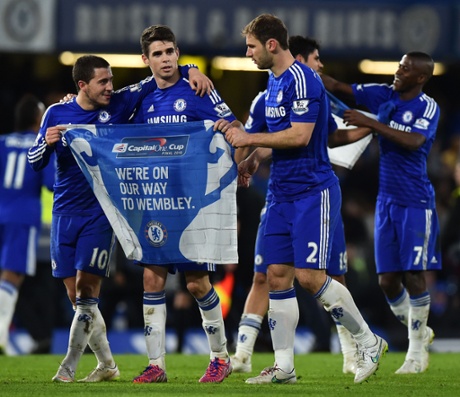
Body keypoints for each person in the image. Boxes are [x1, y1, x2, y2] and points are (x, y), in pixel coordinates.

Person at [224, 14, 387, 385]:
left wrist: (249, 140)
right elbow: (282, 139)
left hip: (312, 191)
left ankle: (368, 341)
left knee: (312, 277)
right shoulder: (272, 84)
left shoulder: (304, 79)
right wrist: (252, 159)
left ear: (270, 45)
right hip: (280, 193)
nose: (247, 53)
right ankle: (284, 366)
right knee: (277, 276)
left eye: (250, 46)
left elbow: (299, 137)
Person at [27, 55, 212, 382]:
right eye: (103, 82)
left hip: (100, 213)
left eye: (112, 80)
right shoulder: (57, 112)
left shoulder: (117, 105)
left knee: (86, 293)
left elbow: (152, 78)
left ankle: (67, 367)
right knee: (76, 298)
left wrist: (190, 69)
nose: (111, 87)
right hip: (63, 213)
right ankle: (108, 365)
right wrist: (45, 142)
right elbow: (35, 161)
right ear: (82, 85)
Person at [129, 24, 241, 384]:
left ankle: (220, 357)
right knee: (151, 279)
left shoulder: (197, 89)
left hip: (193, 204)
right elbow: (105, 115)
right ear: (145, 59)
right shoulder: (141, 98)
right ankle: (156, 365)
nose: (165, 59)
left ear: (178, 52)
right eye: (157, 54)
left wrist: (238, 164)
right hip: (156, 201)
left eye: (170, 52)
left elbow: (233, 126)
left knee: (197, 283)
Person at [321, 51, 441, 374]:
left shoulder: (426, 107)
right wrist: (300, 70)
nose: (398, 72)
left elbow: (415, 141)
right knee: (387, 281)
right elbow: (337, 86)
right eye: (399, 66)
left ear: (421, 78)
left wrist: (373, 123)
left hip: (415, 202)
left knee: (414, 274)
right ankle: (420, 330)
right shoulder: (383, 95)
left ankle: (416, 354)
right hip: (385, 201)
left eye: (405, 69)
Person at [0, 94, 55, 354]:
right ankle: (0, 335)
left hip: (1, 211)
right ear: (37, 118)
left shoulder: (1, 142)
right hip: (23, 217)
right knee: (12, 276)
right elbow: (50, 183)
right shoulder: (39, 144)